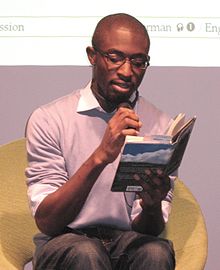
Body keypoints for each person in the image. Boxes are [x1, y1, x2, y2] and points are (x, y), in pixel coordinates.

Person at [25, 13, 176, 270]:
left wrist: (151, 206)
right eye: (115, 58)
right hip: (65, 240)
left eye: (138, 62)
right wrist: (101, 156)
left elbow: (149, 230)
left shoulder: (161, 124)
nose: (127, 71)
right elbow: (48, 221)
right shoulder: (50, 118)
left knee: (155, 252)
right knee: (86, 252)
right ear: (92, 56)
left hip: (127, 239)